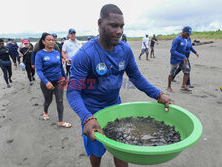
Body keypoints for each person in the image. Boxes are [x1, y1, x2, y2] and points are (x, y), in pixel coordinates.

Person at [66, 4, 173, 167]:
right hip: (92, 112)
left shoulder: (125, 50)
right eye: (114, 25)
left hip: (115, 107)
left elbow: (136, 77)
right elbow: (73, 92)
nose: (119, 31)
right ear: (100, 23)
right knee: (96, 151)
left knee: (123, 147)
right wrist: (86, 117)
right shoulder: (85, 55)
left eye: (121, 26)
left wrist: (159, 94)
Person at [35, 33, 71, 127]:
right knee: (48, 100)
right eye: (49, 40)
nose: (51, 42)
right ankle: (45, 111)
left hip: (59, 81)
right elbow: (38, 70)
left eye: (52, 40)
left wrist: (65, 77)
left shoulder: (56, 53)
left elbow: (60, 66)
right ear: (43, 42)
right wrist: (46, 82)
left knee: (60, 100)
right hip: (47, 82)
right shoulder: (40, 54)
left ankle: (61, 121)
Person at [167, 26, 193, 92]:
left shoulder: (185, 39)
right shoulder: (177, 39)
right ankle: (169, 87)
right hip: (175, 59)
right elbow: (172, 51)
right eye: (188, 34)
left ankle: (183, 86)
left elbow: (184, 48)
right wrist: (182, 56)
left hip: (182, 59)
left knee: (187, 70)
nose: (188, 36)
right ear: (183, 32)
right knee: (172, 73)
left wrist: (185, 56)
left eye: (189, 34)